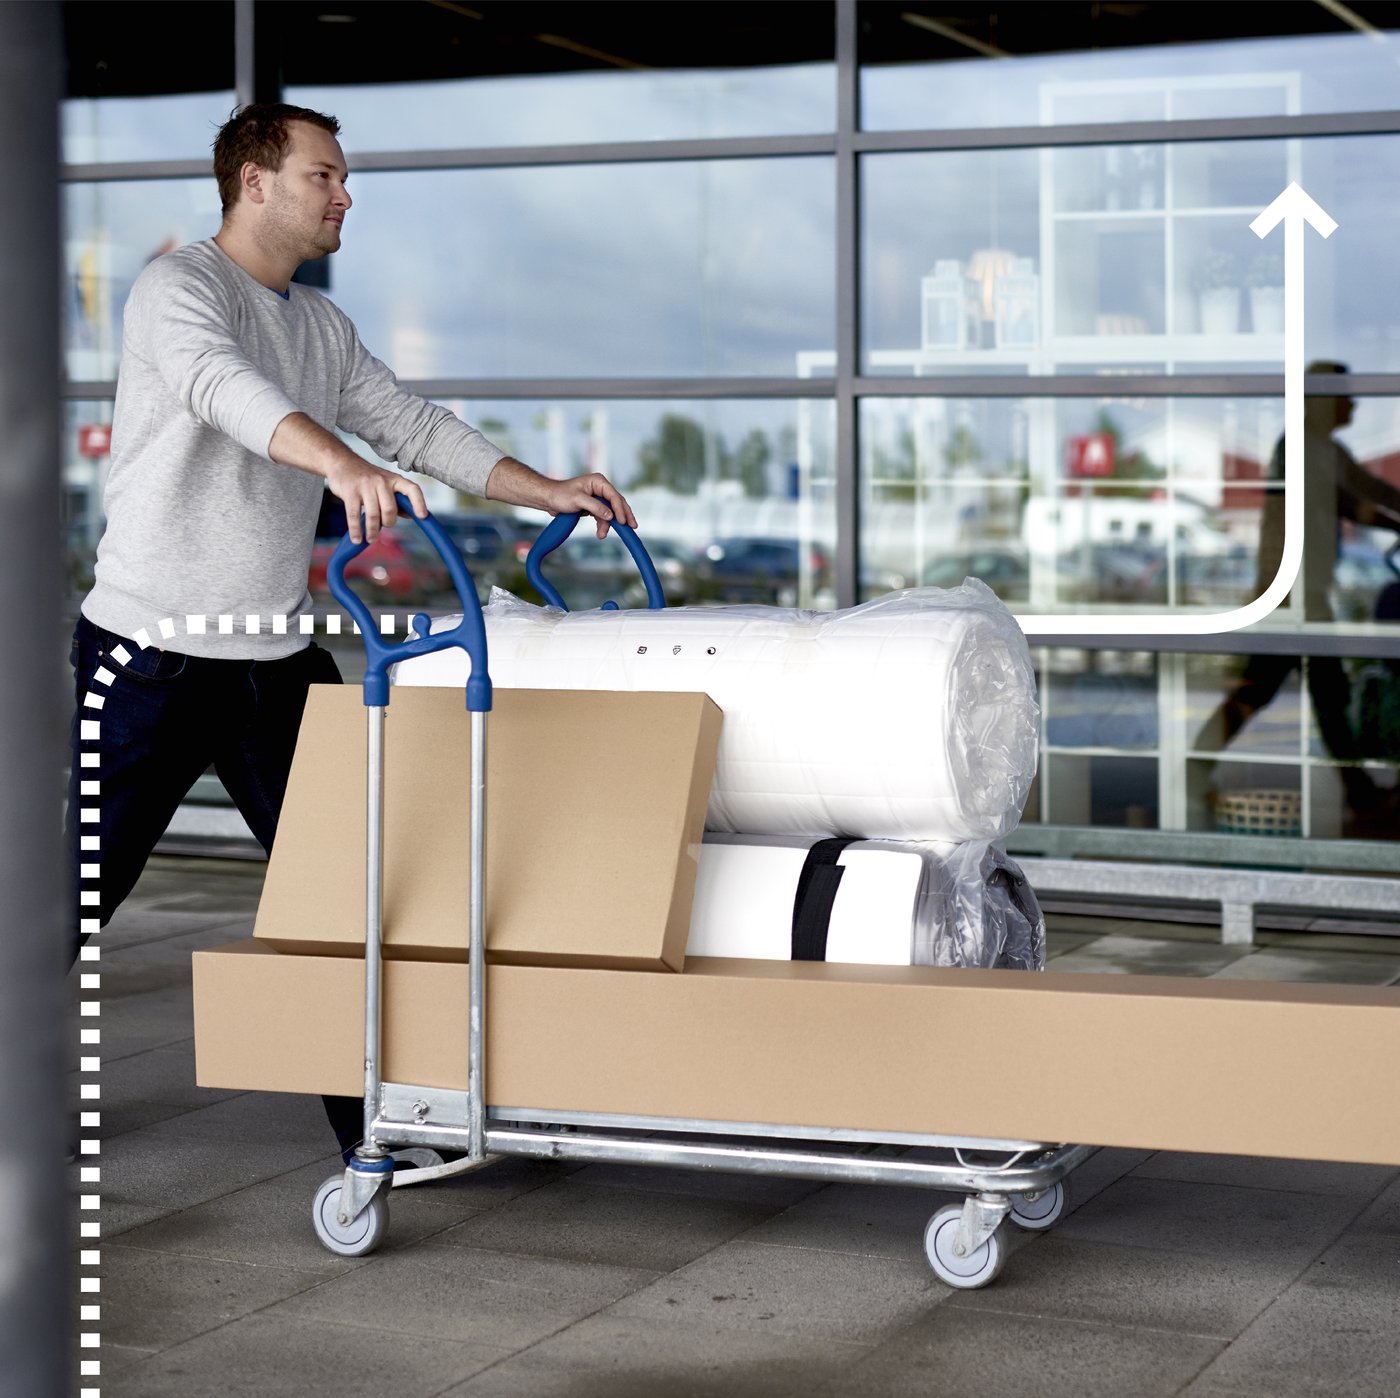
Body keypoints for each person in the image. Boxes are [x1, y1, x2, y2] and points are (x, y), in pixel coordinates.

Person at [67, 102, 636, 1162]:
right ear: (254, 182)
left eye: (342, 177)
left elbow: (415, 428)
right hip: (147, 657)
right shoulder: (177, 291)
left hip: (272, 663)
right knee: (76, 894)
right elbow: (220, 391)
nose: (345, 195)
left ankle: (370, 1128)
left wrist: (544, 488)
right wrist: (333, 462)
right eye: (324, 175)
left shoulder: (320, 329)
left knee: (342, 900)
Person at [1193, 361, 1400, 822]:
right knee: (1270, 692)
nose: (1354, 403)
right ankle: (1190, 768)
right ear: (1323, 399)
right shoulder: (1297, 447)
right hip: (1286, 594)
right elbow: (1347, 500)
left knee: (1321, 693)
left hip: (1307, 593)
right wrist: (1389, 520)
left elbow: (1369, 487)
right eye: (1344, 395)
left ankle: (1358, 789)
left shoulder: (1327, 448)